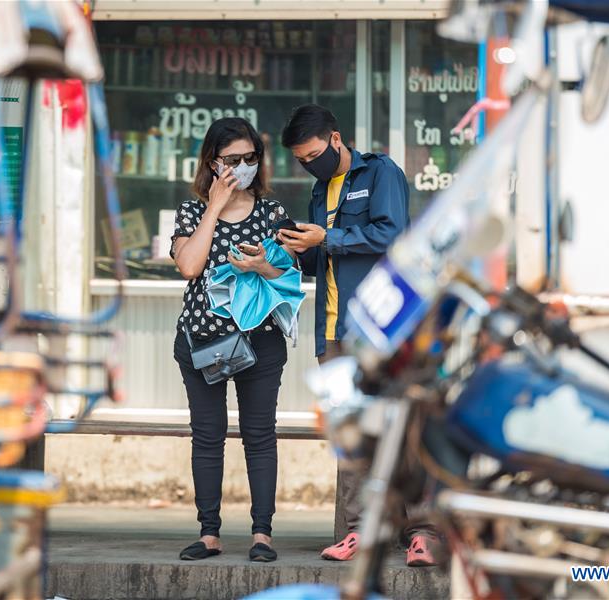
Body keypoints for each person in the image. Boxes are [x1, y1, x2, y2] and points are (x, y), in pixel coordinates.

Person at [278, 104, 437, 567]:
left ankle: (423, 533)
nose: (309, 163)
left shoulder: (381, 171)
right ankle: (358, 532)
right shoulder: (317, 192)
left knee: (403, 429)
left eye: (312, 154)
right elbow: (319, 260)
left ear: (335, 138)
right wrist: (288, 250)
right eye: (301, 159)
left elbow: (391, 234)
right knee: (350, 436)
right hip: (334, 331)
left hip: (384, 328)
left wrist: (324, 237)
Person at [171, 117, 293, 563]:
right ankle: (209, 534)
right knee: (207, 436)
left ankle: (262, 534)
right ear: (212, 162)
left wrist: (263, 265)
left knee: (260, 435)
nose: (242, 167)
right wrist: (214, 207)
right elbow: (188, 266)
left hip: (260, 341)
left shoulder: (272, 212)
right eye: (232, 160)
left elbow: (289, 275)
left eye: (249, 159)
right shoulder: (190, 210)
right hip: (204, 340)